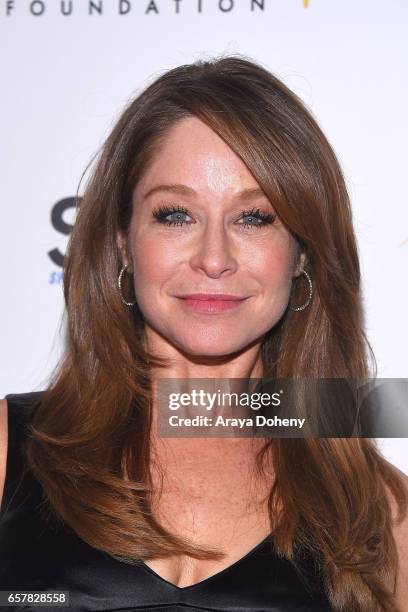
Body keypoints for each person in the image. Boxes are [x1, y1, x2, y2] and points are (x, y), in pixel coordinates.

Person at [1, 54, 407, 612]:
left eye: (254, 217)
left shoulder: (379, 510)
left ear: (302, 253)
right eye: (175, 214)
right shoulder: (9, 450)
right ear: (122, 239)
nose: (214, 258)